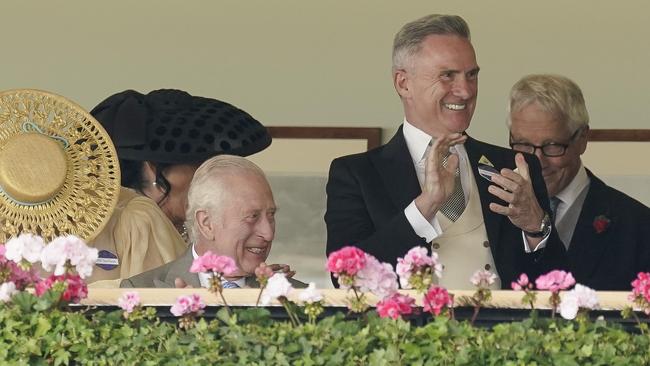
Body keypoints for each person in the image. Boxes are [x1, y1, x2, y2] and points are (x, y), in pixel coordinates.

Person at [325, 14, 566, 289]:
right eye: (447, 76)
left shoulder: (513, 167)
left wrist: (536, 225)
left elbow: (558, 283)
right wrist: (425, 205)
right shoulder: (356, 174)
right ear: (403, 83)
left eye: (471, 75)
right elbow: (345, 278)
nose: (465, 91)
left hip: (501, 330)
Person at [88, 89, 273, 283]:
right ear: (153, 169)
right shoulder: (136, 222)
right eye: (200, 168)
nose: (212, 182)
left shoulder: (189, 229)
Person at [507, 74, 650, 290]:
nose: (538, 162)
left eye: (552, 146)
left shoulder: (638, 226)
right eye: (524, 145)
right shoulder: (494, 214)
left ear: (582, 139)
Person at [121, 155, 307, 288]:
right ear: (207, 223)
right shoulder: (143, 291)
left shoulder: (297, 298)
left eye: (271, 215)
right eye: (253, 217)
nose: (268, 233)